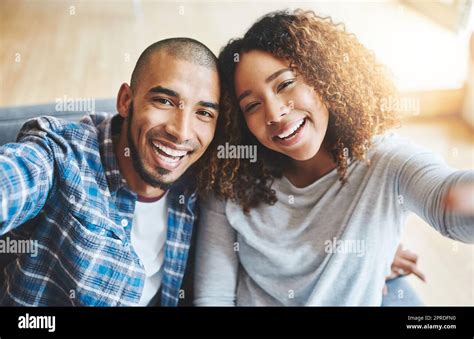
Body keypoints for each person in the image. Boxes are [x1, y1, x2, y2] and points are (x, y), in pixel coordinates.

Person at [194, 10, 474, 306]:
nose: (275, 113)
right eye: (252, 105)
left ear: (324, 77)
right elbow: (213, 296)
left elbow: (445, 199)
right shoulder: (230, 177)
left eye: (285, 84)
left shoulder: (385, 163)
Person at [0, 38, 220, 306]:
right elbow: (14, 179)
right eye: (164, 101)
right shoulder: (62, 154)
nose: (181, 132)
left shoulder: (201, 181)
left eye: (204, 113)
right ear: (126, 101)